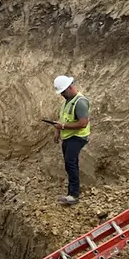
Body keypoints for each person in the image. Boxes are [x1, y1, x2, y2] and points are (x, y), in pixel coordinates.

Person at [45, 75, 90, 205]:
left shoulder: (80, 102)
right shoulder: (67, 102)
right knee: (69, 164)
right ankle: (71, 192)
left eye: (63, 92)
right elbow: (64, 119)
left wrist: (63, 126)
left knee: (71, 163)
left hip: (78, 137)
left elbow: (83, 123)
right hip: (68, 137)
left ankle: (74, 195)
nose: (62, 95)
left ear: (70, 87)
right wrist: (57, 130)